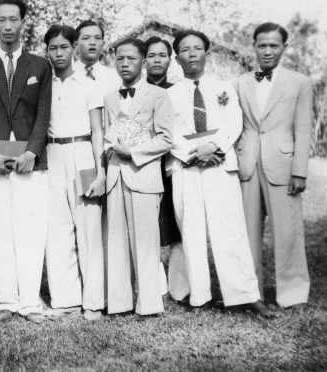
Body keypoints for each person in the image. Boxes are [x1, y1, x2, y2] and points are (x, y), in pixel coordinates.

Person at [166, 30, 278, 318]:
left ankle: (245, 294)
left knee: (230, 229)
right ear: (176, 57)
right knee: (191, 230)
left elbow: (233, 122)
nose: (192, 54)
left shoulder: (222, 85)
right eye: (185, 50)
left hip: (218, 162)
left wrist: (213, 146)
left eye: (197, 48)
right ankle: (200, 296)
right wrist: (193, 153)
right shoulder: (169, 94)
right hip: (187, 167)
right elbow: (167, 131)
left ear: (207, 52)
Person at [0, 0, 52, 324]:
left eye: (13, 19)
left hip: (32, 163)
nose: (7, 26)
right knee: (0, 232)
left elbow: (44, 114)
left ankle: (30, 302)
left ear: (22, 23)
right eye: (1, 20)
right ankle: (5, 301)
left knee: (30, 231)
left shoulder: (40, 66)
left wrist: (32, 152)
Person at [236, 22, 312, 310]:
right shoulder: (240, 82)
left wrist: (300, 170)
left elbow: (303, 130)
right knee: (247, 231)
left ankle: (292, 293)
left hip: (283, 164)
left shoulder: (300, 83)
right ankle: (250, 292)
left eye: (274, 45)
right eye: (262, 45)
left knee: (288, 231)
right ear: (253, 46)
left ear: (284, 48)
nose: (267, 51)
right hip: (247, 164)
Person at [103, 38, 173, 318]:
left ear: (143, 62)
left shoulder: (158, 95)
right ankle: (120, 302)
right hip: (116, 176)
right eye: (120, 58)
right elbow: (108, 136)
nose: (124, 63)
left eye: (131, 58)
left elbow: (167, 138)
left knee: (145, 242)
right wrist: (112, 152)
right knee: (117, 240)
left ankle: (149, 304)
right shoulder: (110, 98)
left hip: (143, 175)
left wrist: (133, 152)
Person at [43, 25, 106, 321]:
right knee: (57, 228)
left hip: (83, 155)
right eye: (53, 48)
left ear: (73, 48)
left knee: (89, 229)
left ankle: (93, 300)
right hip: (53, 154)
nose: (58, 53)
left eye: (64, 47)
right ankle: (66, 299)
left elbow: (97, 130)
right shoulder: (44, 84)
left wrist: (100, 170)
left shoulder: (88, 84)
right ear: (47, 51)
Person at [144, 35, 180, 296]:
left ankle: (181, 283)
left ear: (170, 59)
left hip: (173, 163)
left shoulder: (177, 90)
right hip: (144, 162)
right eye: (152, 55)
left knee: (175, 219)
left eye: (162, 55)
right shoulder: (135, 88)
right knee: (150, 221)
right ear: (144, 59)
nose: (157, 60)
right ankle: (154, 281)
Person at [73, 20, 121, 100]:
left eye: (97, 38)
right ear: (75, 44)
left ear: (103, 44)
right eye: (86, 38)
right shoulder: (64, 76)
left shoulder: (115, 77)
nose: (92, 42)